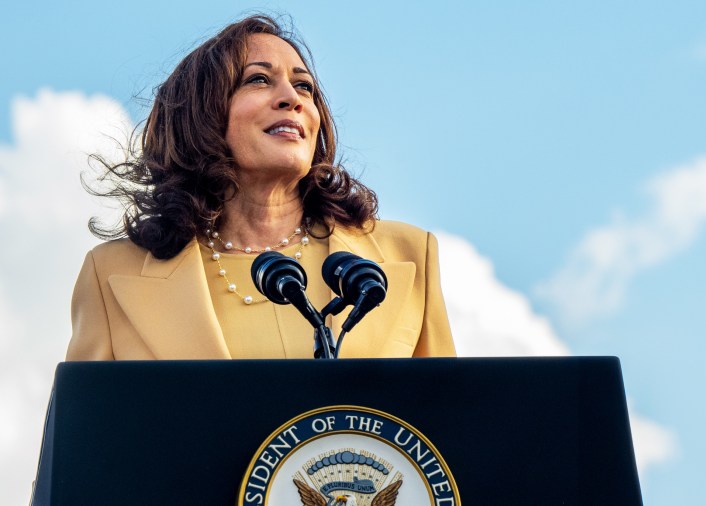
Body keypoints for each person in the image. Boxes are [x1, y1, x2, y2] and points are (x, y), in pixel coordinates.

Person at [67, 14, 455, 361]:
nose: (292, 99)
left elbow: (447, 427)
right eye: (258, 80)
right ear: (201, 114)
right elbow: (85, 435)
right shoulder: (111, 275)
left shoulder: (410, 256)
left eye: (304, 87)